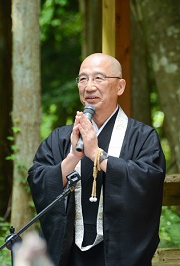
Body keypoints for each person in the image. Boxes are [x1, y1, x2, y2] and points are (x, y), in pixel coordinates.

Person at [27, 53, 166, 266]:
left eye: (98, 78)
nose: (89, 87)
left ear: (120, 87)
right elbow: (38, 178)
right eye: (83, 79)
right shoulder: (61, 137)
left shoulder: (142, 136)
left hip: (119, 254)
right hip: (70, 253)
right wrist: (73, 156)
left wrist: (98, 156)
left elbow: (148, 181)